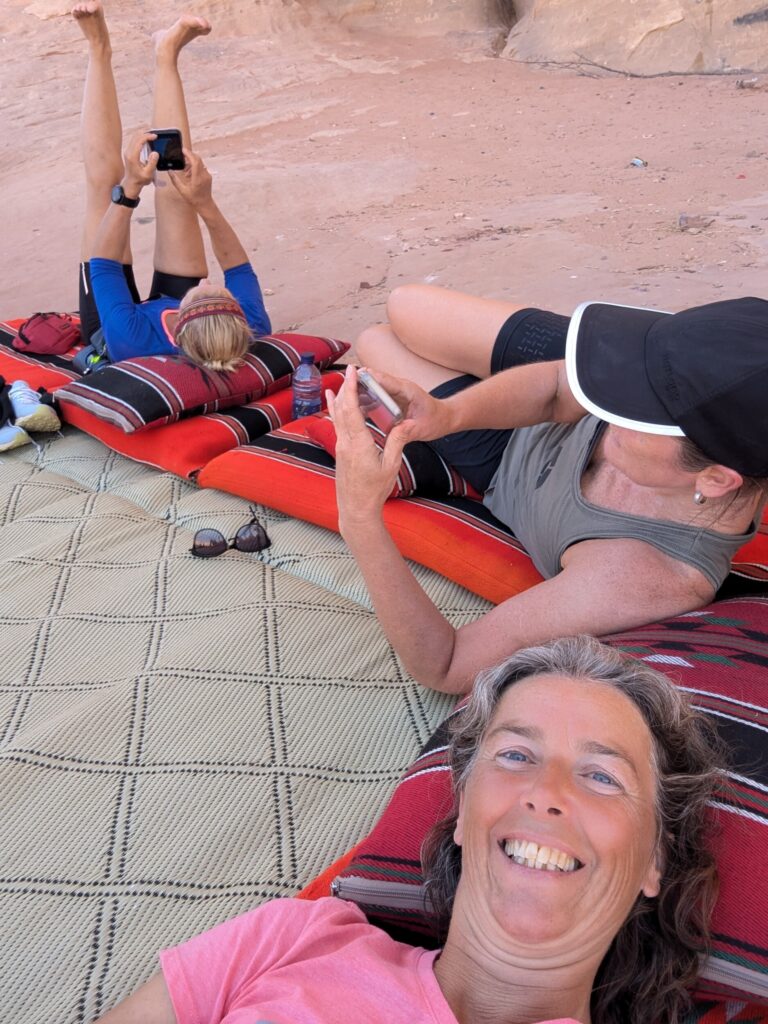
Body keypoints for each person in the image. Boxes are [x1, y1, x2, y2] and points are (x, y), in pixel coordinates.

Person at [92, 636, 725, 1024]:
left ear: (654, 862)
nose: (545, 793)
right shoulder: (296, 937)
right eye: (514, 756)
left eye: (601, 776)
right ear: (462, 815)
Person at [327, 284, 768, 693]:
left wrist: (360, 515)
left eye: (633, 415)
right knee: (404, 305)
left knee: (375, 342)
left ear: (714, 480)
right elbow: (561, 388)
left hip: (504, 459)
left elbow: (446, 665)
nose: (603, 404)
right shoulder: (695, 396)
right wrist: (448, 414)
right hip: (546, 385)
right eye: (631, 387)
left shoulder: (646, 574)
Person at [73, 2, 271, 370]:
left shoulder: (133, 337)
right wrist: (204, 202)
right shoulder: (249, 325)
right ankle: (167, 53)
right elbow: (239, 270)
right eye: (221, 290)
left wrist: (130, 189)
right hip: (196, 327)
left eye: (203, 287)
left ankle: (98, 48)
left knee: (103, 186)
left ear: (185, 316)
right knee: (179, 184)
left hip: (116, 327)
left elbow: (103, 264)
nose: (209, 277)